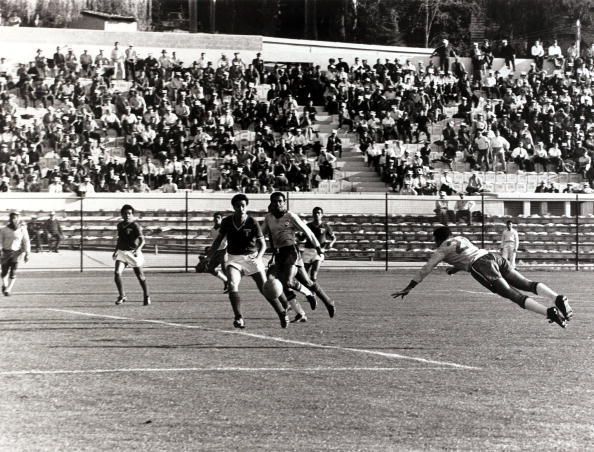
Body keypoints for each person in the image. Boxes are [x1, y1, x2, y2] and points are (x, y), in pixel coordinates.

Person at [391, 226, 574, 328]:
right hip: (493, 257)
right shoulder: (460, 238)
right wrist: (456, 268)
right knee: (526, 283)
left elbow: (427, 268)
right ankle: (556, 298)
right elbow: (469, 254)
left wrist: (410, 286)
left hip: (482, 266)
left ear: (438, 239)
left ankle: (549, 312)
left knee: (513, 294)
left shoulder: (442, 248)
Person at [208, 193, 289, 329]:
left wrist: (258, 257)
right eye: (238, 205)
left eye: (243, 205)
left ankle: (281, 313)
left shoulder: (252, 222)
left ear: (246, 206)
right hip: (234, 259)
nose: (241, 208)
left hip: (251, 258)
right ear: (233, 207)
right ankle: (239, 318)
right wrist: (209, 256)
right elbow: (218, 241)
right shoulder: (227, 222)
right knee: (232, 284)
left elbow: (263, 245)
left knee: (266, 289)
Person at [262, 192, 336, 322]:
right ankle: (328, 302)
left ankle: (308, 294)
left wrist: (318, 248)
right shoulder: (269, 217)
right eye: (275, 201)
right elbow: (260, 234)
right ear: (271, 203)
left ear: (284, 202)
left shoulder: (290, 216)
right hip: (279, 254)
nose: (277, 204)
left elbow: (308, 232)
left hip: (291, 252)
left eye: (280, 201)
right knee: (303, 282)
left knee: (288, 282)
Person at [113, 204, 151, 306]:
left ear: (132, 214)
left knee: (140, 276)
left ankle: (146, 295)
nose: (127, 215)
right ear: (121, 214)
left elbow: (143, 241)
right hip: (122, 252)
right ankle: (122, 296)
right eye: (125, 213)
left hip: (133, 253)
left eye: (129, 213)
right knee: (117, 273)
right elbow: (119, 239)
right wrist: (115, 250)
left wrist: (137, 250)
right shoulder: (120, 225)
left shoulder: (135, 226)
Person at [301, 206, 336, 283]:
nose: (316, 214)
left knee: (313, 274)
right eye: (315, 213)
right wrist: (297, 233)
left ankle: (313, 292)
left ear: (322, 215)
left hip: (319, 251)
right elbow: (301, 238)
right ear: (312, 215)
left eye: (318, 213)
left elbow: (334, 238)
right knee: (304, 275)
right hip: (307, 251)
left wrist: (331, 243)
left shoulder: (326, 226)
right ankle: (308, 291)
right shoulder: (308, 226)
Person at [0, 211, 31, 296]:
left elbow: (26, 241)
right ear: (10, 219)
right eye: (13, 218)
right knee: (4, 272)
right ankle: (5, 285)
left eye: (16, 217)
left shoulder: (22, 229)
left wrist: (27, 253)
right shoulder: (4, 230)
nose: (14, 219)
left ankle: (8, 289)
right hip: (6, 252)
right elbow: (0, 241)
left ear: (18, 218)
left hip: (17, 252)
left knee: (13, 271)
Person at [202, 212, 229, 293]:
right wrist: (210, 251)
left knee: (224, 268)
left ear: (221, 219)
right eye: (215, 217)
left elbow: (230, 239)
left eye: (218, 217)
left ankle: (232, 286)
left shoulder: (224, 228)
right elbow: (215, 242)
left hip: (225, 250)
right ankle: (226, 280)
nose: (216, 219)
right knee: (210, 269)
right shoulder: (213, 230)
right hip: (216, 251)